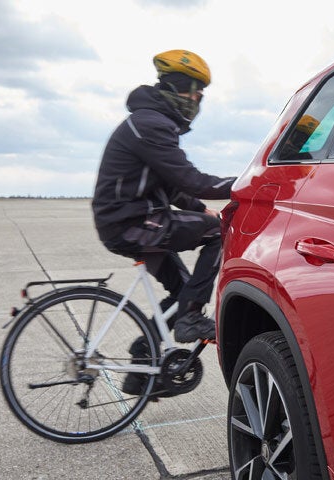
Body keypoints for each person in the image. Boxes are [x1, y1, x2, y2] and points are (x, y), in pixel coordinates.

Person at [91, 50, 235, 365]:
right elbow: (191, 180)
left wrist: (200, 209)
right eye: (197, 92)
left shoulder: (148, 122)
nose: (198, 100)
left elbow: (172, 187)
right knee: (217, 233)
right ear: (179, 89)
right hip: (132, 225)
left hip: (130, 222)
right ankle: (191, 320)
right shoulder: (152, 124)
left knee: (183, 291)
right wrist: (247, 183)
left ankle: (143, 362)